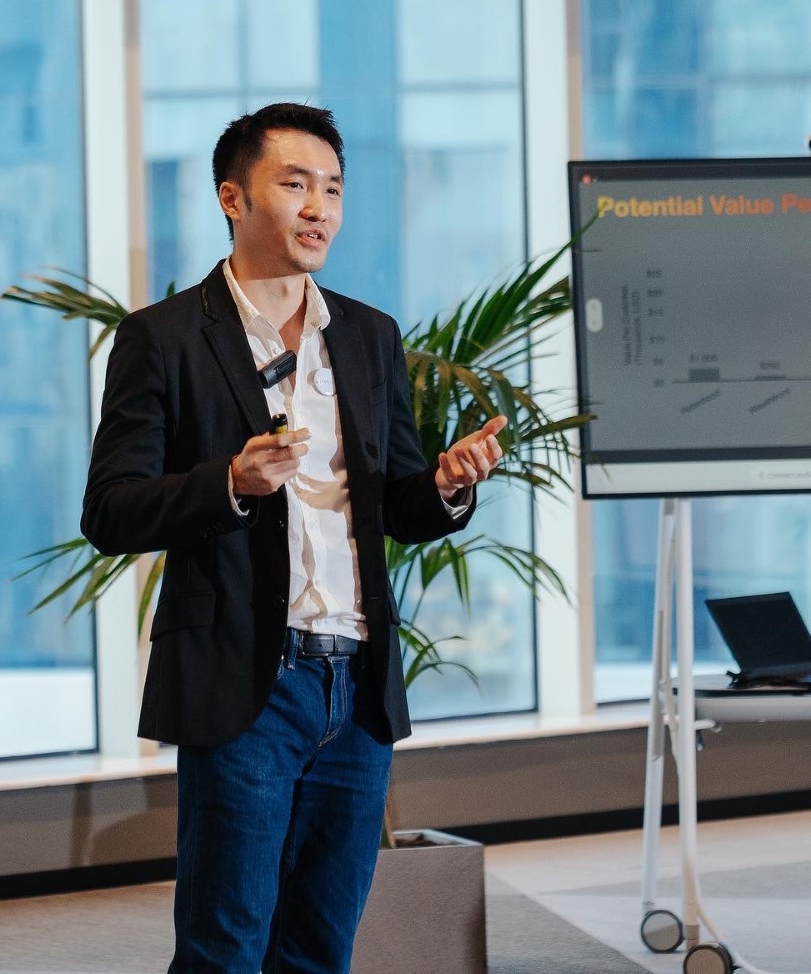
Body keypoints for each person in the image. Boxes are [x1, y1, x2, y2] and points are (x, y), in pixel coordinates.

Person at [81, 102, 506, 973]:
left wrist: (446, 487)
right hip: (246, 682)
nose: (319, 207)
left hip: (356, 688)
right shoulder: (162, 339)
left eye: (334, 189)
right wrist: (228, 483)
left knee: (320, 942)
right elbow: (111, 510)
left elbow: (396, 503)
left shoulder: (368, 335)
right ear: (234, 198)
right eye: (296, 184)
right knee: (224, 944)